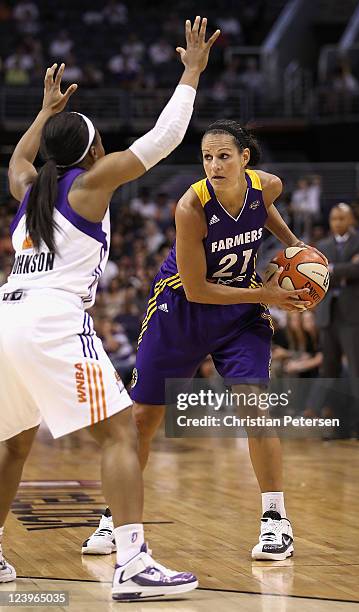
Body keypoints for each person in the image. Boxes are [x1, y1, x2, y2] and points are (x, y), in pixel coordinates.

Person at [0, 16, 220, 601]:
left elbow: (18, 161)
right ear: (93, 148)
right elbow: (167, 137)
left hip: (6, 317)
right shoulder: (90, 183)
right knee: (120, 435)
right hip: (50, 319)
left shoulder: (31, 189)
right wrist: (192, 72)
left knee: (12, 444)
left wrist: (44, 113)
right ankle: (132, 563)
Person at [84, 119, 327, 562]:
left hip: (239, 313)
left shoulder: (267, 185)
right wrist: (268, 294)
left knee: (255, 404)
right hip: (182, 309)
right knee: (142, 419)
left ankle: (276, 521)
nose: (214, 165)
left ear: (244, 159)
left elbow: (263, 208)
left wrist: (294, 244)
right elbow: (198, 289)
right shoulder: (191, 206)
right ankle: (113, 519)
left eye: (223, 156)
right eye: (207, 157)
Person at [314, 203, 359, 439]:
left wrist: (331, 269)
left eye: (342, 218)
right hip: (328, 315)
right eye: (333, 218)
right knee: (329, 372)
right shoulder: (322, 246)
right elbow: (317, 275)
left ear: (351, 220)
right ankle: (338, 426)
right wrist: (343, 269)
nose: (337, 223)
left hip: (354, 315)